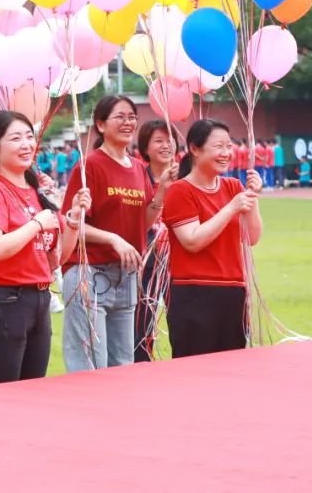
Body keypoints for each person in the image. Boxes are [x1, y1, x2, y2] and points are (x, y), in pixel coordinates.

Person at [0, 111, 90, 384]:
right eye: (16, 138)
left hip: (38, 299)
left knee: (32, 390)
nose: (26, 144)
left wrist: (72, 218)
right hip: (5, 301)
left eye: (29, 137)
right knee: (3, 395)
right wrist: (36, 224)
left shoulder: (37, 191)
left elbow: (56, 259)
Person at [62, 96, 166, 373]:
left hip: (126, 275)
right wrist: (113, 239)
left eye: (132, 116)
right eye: (120, 116)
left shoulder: (136, 169)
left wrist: (162, 192)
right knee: (90, 366)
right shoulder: (90, 166)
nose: (128, 122)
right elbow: (73, 223)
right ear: (100, 124)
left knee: (123, 364)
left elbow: (142, 222)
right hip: (89, 274)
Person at [163, 119, 263, 357]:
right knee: (193, 374)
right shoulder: (180, 191)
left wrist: (252, 197)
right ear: (195, 149)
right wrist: (230, 208)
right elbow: (192, 240)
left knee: (231, 372)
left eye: (229, 146)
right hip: (194, 293)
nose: (226, 153)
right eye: (219, 146)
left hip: (233, 292)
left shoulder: (233, 186)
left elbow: (252, 237)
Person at [133, 120, 179, 362]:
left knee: (181, 320)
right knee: (141, 323)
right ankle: (141, 366)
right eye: (158, 141)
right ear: (145, 148)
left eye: (169, 140)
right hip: (146, 260)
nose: (166, 145)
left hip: (180, 260)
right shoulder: (136, 176)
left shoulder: (187, 176)